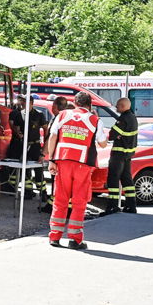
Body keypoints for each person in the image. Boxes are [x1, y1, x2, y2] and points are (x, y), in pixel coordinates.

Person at [45, 91, 105, 250]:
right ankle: (75, 239)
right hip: (82, 163)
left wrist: (51, 160)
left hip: (62, 160)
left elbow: (52, 137)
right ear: (90, 104)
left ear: (76, 102)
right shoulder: (95, 119)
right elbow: (103, 143)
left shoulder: (63, 115)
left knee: (60, 199)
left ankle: (54, 237)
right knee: (79, 201)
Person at [104, 97, 139, 214]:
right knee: (127, 180)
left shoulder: (123, 118)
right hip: (128, 154)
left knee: (113, 179)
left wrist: (117, 135)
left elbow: (112, 134)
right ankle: (131, 206)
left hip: (119, 154)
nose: (116, 107)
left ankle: (112, 206)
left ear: (123, 106)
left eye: (118, 106)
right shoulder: (133, 117)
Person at [7, 95, 44, 198]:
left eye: (24, 102)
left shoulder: (39, 115)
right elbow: (15, 127)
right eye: (21, 102)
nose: (22, 104)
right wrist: (18, 133)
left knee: (38, 170)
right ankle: (28, 191)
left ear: (31, 103)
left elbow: (45, 128)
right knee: (25, 170)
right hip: (23, 145)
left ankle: (43, 193)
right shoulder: (19, 114)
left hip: (35, 145)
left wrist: (44, 145)